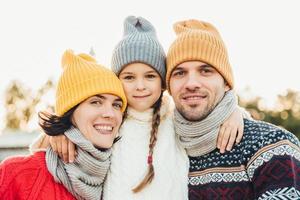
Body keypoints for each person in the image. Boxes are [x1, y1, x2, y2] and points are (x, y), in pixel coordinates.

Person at [32, 16, 246, 200]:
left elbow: (209, 118)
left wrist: (235, 112)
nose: (140, 86)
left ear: (163, 82)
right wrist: (58, 133)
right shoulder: (109, 125)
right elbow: (45, 147)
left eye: (150, 76)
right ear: (117, 81)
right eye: (129, 77)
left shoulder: (177, 118)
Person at [166, 19, 300, 199]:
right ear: (168, 86)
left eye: (205, 71)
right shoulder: (160, 149)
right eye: (180, 73)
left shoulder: (271, 146)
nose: (191, 84)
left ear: (227, 83)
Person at [0, 50, 127, 200]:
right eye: (96, 102)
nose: (110, 114)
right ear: (69, 111)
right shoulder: (17, 174)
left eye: (117, 105)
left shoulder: (121, 174)